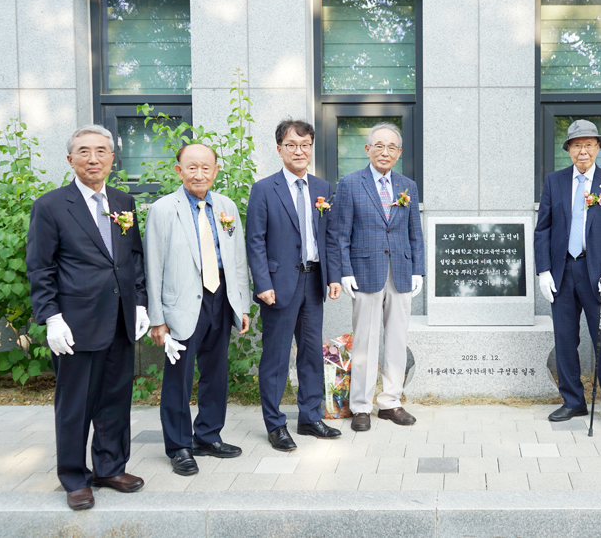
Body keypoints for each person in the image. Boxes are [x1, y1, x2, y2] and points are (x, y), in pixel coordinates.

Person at [26, 126, 148, 510]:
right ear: (70, 160)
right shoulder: (50, 206)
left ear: (113, 158)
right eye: (84, 151)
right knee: (75, 404)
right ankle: (75, 477)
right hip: (75, 324)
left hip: (120, 321)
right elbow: (40, 268)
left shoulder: (123, 201)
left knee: (115, 400)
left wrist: (140, 303)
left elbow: (132, 259)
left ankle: (110, 467)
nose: (93, 158)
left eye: (101, 151)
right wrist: (50, 318)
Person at [143, 144, 250, 475]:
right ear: (178, 170)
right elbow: (153, 266)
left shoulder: (226, 206)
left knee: (216, 374)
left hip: (220, 298)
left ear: (216, 170)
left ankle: (208, 436)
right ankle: (178, 446)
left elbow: (236, 259)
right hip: (182, 306)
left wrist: (242, 305)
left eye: (206, 168)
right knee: (179, 378)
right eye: (192, 167)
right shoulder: (163, 210)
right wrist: (157, 319)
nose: (199, 174)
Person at [246, 119, 342, 451]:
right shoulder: (263, 189)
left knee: (312, 353)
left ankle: (310, 417)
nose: (299, 151)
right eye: (291, 145)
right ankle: (275, 425)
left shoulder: (323, 188)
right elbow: (255, 241)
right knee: (275, 357)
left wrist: (333, 277)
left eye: (305, 145)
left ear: (311, 148)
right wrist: (262, 283)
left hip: (313, 282)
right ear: (279, 149)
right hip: (278, 285)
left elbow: (330, 237)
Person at [326, 122, 424, 432]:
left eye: (391, 147)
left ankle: (391, 402)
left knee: (397, 339)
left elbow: (414, 234)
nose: (385, 151)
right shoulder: (350, 184)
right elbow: (339, 234)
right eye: (378, 146)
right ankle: (360, 406)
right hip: (365, 272)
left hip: (401, 273)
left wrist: (418, 268)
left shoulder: (407, 185)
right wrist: (345, 271)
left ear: (399, 153)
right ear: (367, 150)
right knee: (365, 341)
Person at [535, 119, 601, 429]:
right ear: (569, 150)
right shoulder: (554, 181)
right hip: (563, 271)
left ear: (598, 147)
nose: (583, 151)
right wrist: (543, 270)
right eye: (577, 145)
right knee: (565, 340)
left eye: (589, 144)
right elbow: (544, 228)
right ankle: (573, 401)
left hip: (599, 274)